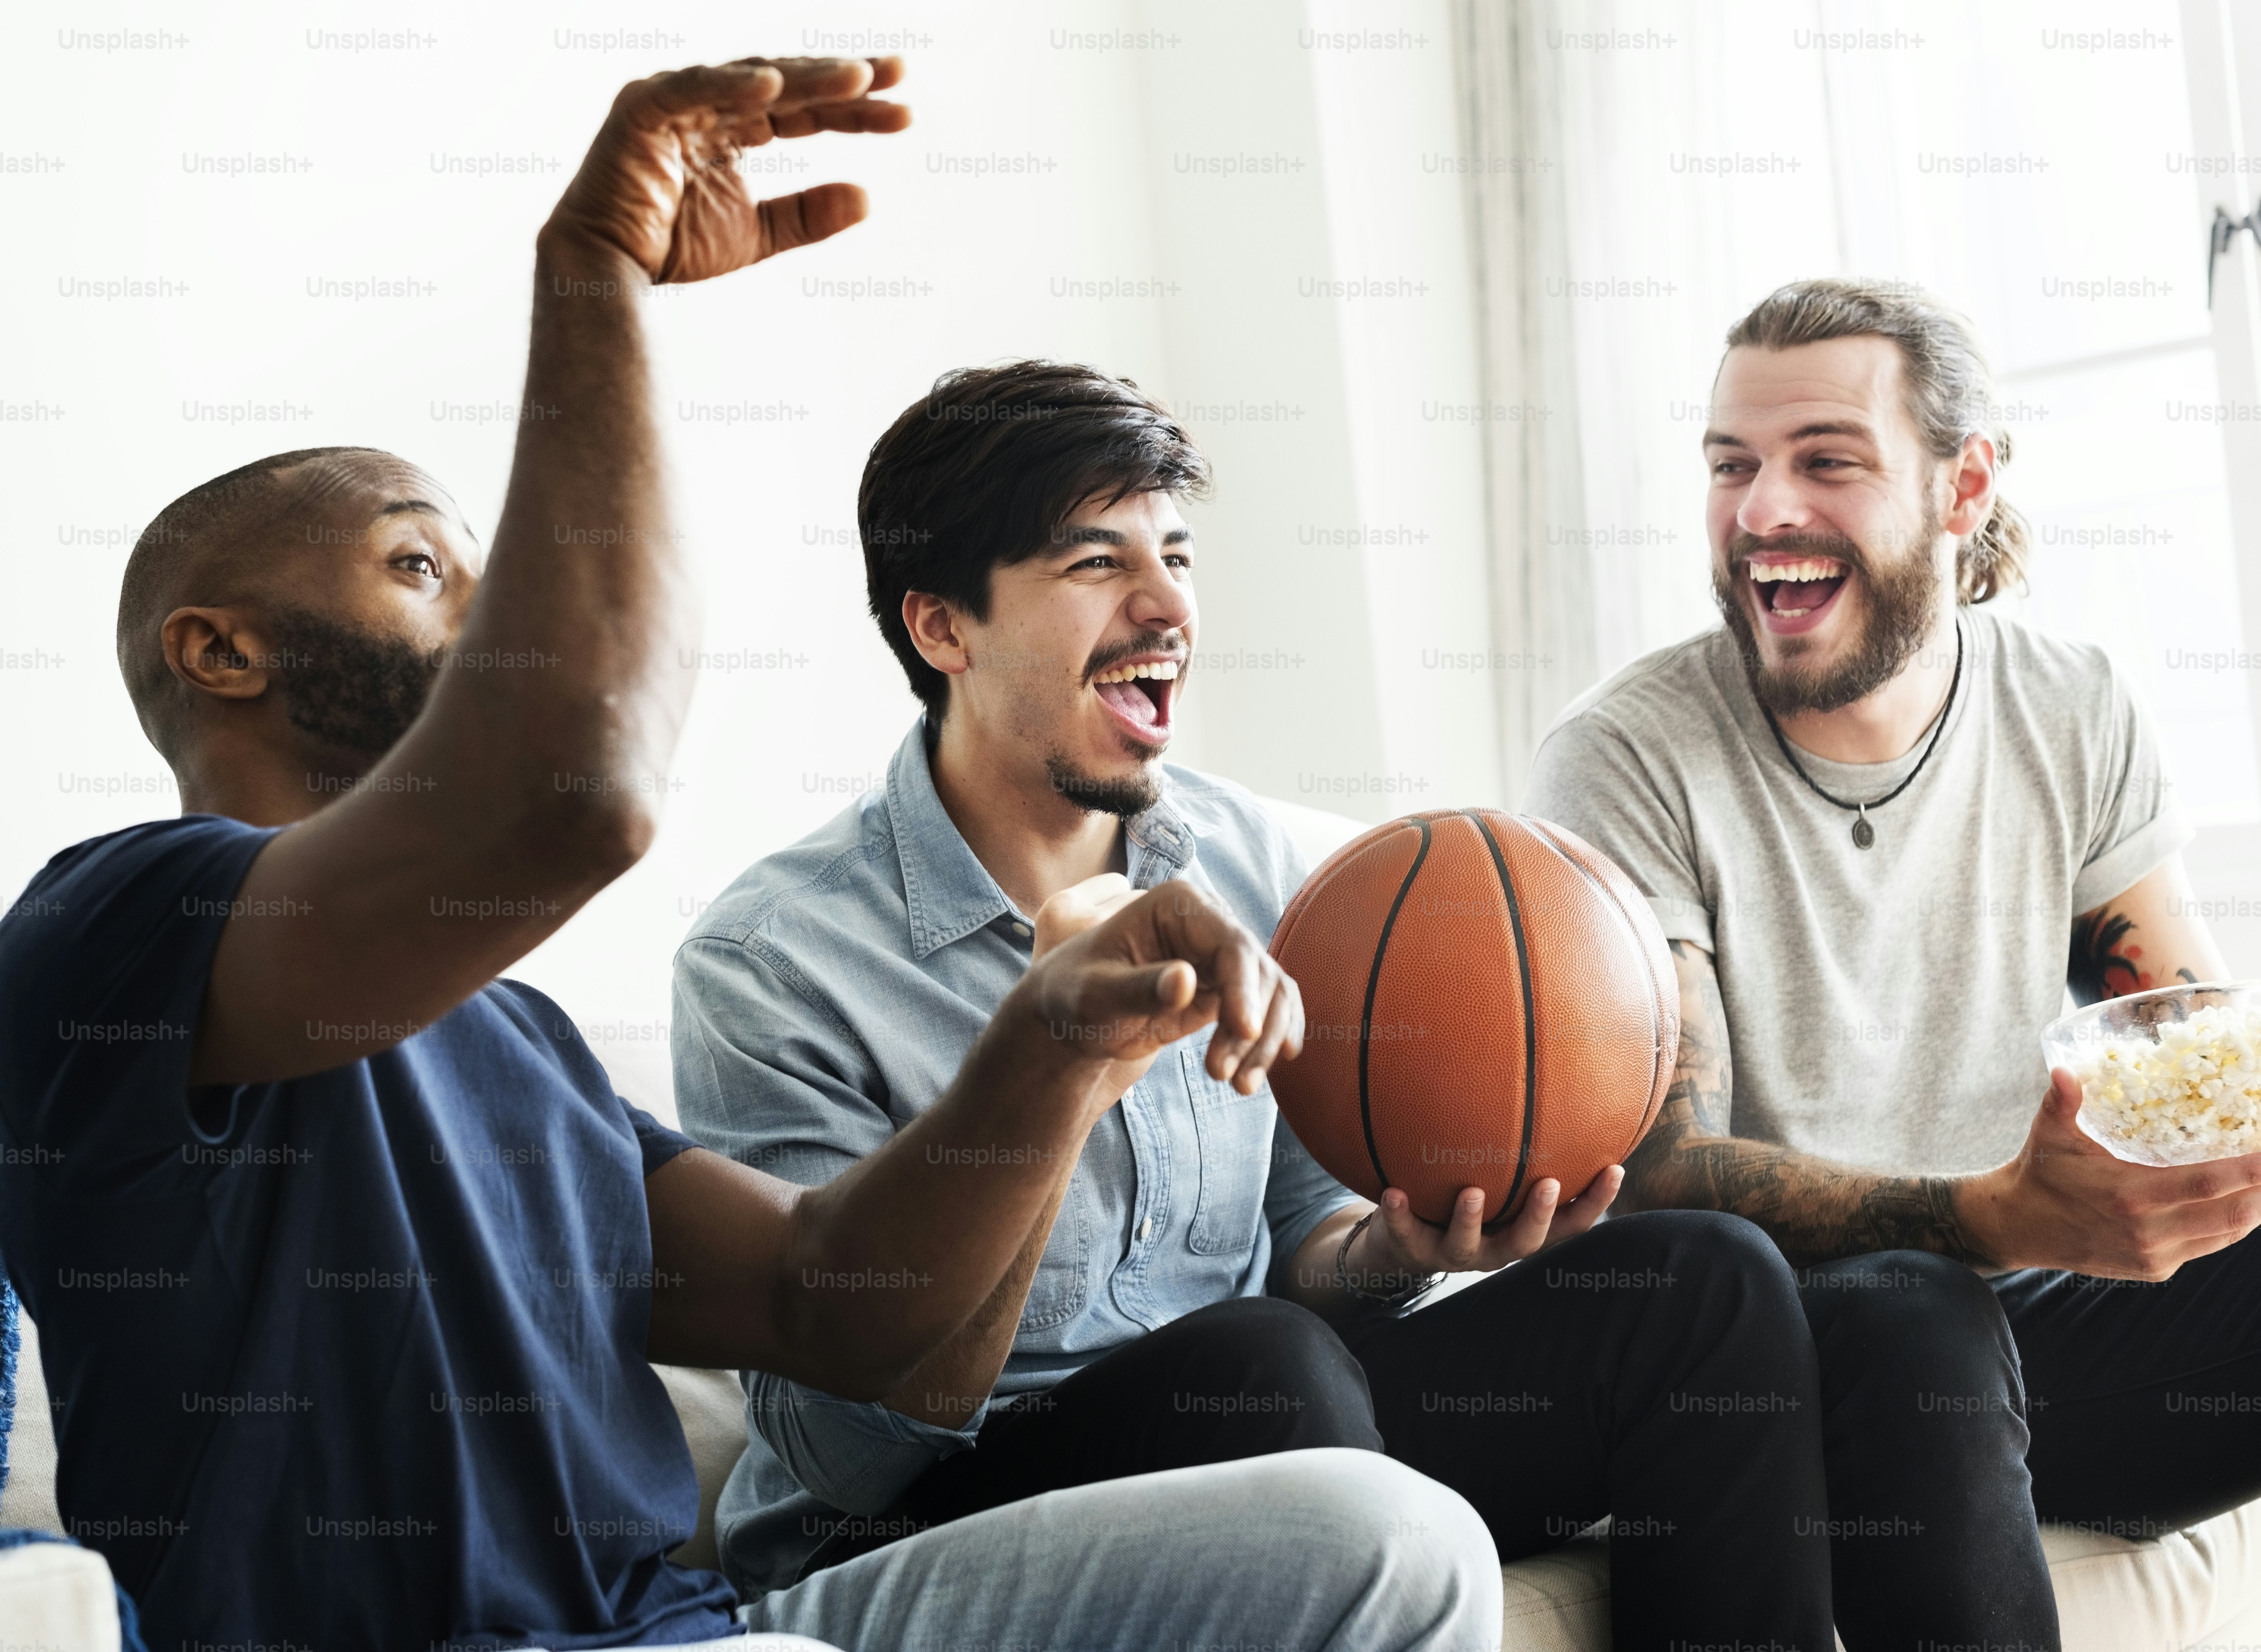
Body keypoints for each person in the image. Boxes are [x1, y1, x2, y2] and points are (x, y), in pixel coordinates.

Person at [0, 54, 1506, 1652]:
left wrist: (1059, 1043)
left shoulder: (518, 1041)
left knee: (1387, 1539)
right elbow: (575, 788)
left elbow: (842, 1314)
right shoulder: (112, 930)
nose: (497, 596)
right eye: (422, 561)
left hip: (712, 1632)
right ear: (219, 651)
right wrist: (591, 280)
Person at [673, 358, 1849, 1652]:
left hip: (1278, 1411)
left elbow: (1308, 1241)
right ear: (943, 628)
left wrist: (1395, 1256)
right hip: (929, 1518)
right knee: (1258, 1365)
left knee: (1706, 1285)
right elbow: (842, 1447)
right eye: (1092, 565)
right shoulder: (773, 962)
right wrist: (1057, 1080)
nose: (1166, 603)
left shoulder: (1276, 872)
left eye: (1175, 554)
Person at [1525, 274, 2261, 1650]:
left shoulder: (2073, 704)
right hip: (1784, 1368)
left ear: (1964, 485)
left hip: (2037, 1336)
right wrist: (1989, 1215)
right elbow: (1662, 1167)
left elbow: (2192, 1052)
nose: (1762, 512)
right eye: (1732, 466)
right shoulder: (1625, 758)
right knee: (1910, 1313)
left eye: (1827, 462)